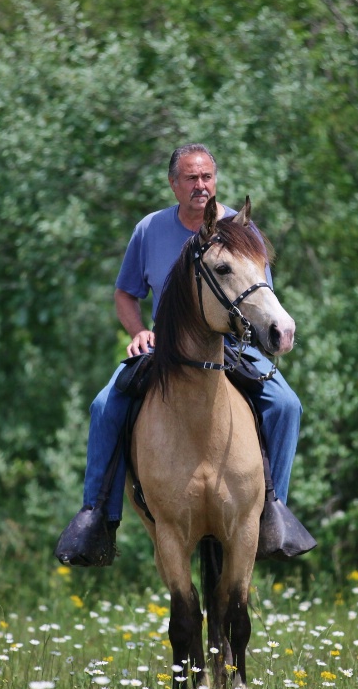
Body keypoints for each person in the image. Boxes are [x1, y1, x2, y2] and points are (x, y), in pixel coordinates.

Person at [55, 143, 306, 567]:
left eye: (207, 177)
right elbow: (124, 293)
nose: (200, 186)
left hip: (234, 345)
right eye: (190, 178)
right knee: (103, 406)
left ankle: (273, 509)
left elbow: (262, 296)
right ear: (173, 184)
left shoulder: (240, 229)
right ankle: (98, 517)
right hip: (166, 347)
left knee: (286, 404)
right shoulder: (149, 229)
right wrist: (137, 332)